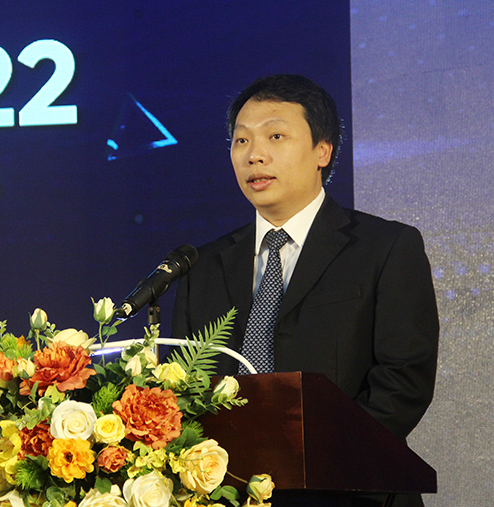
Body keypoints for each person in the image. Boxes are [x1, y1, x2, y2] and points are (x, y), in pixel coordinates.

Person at [172, 74, 439, 507]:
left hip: (350, 493)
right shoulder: (201, 267)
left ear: (322, 150)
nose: (255, 155)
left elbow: (403, 381)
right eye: (241, 141)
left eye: (275, 136)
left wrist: (308, 459)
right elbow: (184, 388)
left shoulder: (386, 247)